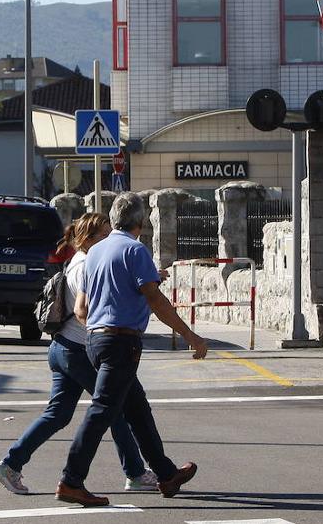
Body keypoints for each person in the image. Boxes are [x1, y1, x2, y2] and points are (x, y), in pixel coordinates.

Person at [56, 192, 208, 507]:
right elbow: (155, 300)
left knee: (137, 409)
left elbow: (82, 308)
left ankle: (166, 474)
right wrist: (190, 335)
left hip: (96, 339)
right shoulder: (135, 250)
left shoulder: (95, 251)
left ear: (113, 220)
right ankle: (71, 481)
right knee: (101, 411)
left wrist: (102, 328)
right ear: (141, 222)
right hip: (121, 341)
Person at [0, 214, 159, 495]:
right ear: (88, 239)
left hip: (62, 348)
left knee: (58, 414)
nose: (109, 239)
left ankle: (11, 464)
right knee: (113, 409)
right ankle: (136, 474)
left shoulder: (81, 261)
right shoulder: (86, 265)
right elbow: (88, 310)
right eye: (104, 235)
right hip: (79, 350)